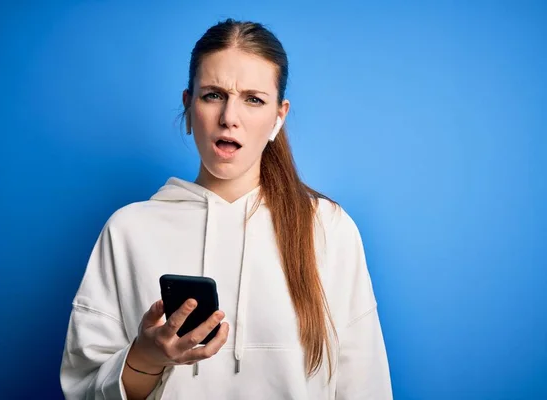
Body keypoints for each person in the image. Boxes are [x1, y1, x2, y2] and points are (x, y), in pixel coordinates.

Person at [60, 18, 392, 400]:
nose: (229, 117)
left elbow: (365, 384)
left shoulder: (329, 229)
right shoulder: (128, 230)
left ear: (278, 117)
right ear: (188, 107)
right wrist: (146, 358)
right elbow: (83, 389)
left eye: (253, 99)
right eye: (213, 95)